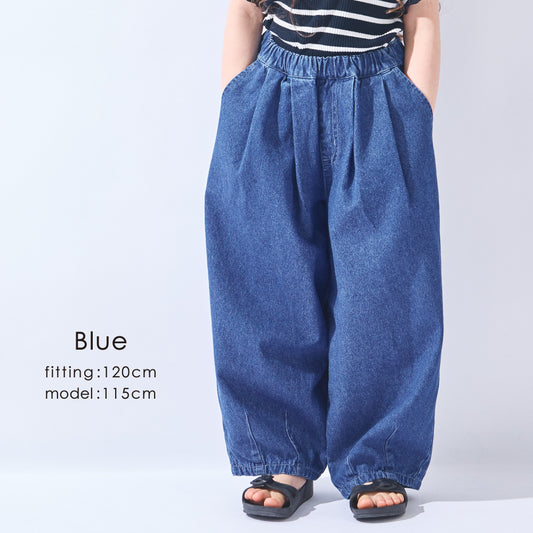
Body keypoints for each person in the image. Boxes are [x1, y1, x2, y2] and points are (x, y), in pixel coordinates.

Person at [204, 0, 443, 521]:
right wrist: (237, 102)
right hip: (272, 90)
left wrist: (413, 109)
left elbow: (423, 12)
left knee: (384, 285)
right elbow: (245, 9)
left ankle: (377, 455)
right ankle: (282, 452)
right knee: (266, 277)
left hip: (379, 93)